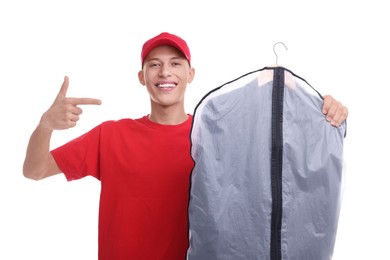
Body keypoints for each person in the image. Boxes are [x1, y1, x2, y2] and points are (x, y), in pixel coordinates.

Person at [23, 32, 349, 260]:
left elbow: (277, 166)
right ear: (141, 76)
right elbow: (34, 170)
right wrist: (45, 125)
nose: (165, 71)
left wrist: (321, 112)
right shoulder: (110, 136)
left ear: (191, 74)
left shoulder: (217, 137)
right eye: (154, 64)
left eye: (176, 63)